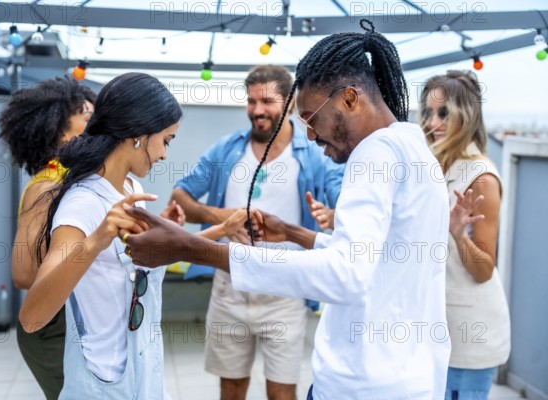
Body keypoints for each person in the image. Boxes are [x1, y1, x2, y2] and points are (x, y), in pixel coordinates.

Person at [124, 20, 452, 399]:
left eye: (311, 118)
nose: (310, 135)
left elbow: (347, 273)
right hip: (410, 377)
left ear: (350, 98)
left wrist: (190, 248)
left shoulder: (373, 153)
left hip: (362, 383)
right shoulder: (415, 150)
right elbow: (373, 260)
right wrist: (296, 233)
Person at [17, 72, 254, 399]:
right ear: (139, 135)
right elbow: (32, 318)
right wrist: (97, 238)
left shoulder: (129, 188)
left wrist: (218, 231)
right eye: (167, 140)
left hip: (143, 372)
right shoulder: (82, 203)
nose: (165, 155)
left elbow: (131, 268)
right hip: (102, 383)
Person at [171, 65, 344, 400]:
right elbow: (180, 196)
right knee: (231, 388)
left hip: (285, 293)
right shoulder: (226, 149)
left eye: (267, 101)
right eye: (251, 102)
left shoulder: (313, 155)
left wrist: (332, 215)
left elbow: (346, 210)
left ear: (289, 102)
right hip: (229, 288)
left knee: (281, 392)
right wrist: (224, 217)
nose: (257, 111)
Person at [0, 76, 95, 400]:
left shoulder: (78, 180)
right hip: (53, 330)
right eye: (88, 119)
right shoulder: (47, 185)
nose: (99, 127)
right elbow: (23, 275)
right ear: (59, 132)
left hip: (80, 326)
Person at [420, 70, 510, 400]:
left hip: (468, 337)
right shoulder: (437, 165)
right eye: (428, 112)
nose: (433, 122)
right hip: (436, 328)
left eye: (444, 112)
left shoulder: (481, 176)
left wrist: (459, 235)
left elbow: (484, 269)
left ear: (466, 115)